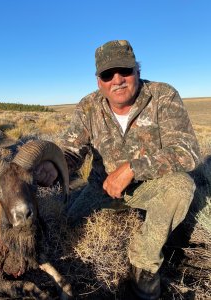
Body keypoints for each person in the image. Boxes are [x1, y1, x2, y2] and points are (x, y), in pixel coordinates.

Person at [36, 40, 201, 299]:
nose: (118, 80)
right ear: (98, 81)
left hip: (150, 187)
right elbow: (72, 150)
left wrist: (133, 169)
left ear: (137, 70)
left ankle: (143, 265)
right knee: (66, 227)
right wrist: (54, 167)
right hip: (102, 188)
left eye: (125, 71)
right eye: (107, 74)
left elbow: (187, 152)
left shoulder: (163, 95)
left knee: (182, 186)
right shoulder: (88, 106)